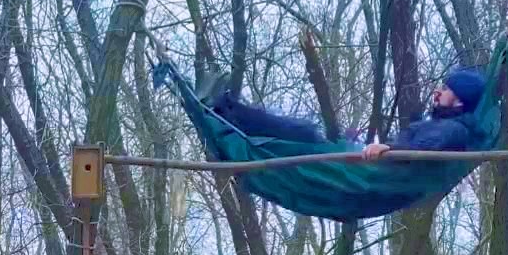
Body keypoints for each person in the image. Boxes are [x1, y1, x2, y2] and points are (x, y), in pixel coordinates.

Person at [201, 67, 487, 159]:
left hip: (369, 176)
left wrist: (388, 148)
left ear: (460, 101)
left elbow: (422, 150)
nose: (437, 92)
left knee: (302, 135)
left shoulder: (455, 129)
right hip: (365, 165)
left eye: (446, 90)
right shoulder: (445, 124)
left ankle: (226, 111)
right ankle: (227, 109)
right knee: (303, 132)